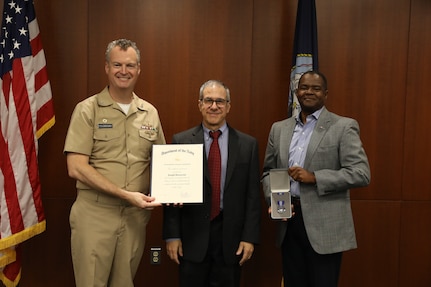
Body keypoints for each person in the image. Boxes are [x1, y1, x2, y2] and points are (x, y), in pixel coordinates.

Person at [64, 38, 166, 287]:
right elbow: (76, 167)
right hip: (95, 214)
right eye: (117, 64)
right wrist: (125, 194)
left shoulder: (149, 112)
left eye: (130, 65)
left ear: (139, 69)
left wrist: (174, 190)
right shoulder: (88, 110)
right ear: (107, 68)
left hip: (134, 217)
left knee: (124, 283)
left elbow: (163, 162)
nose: (124, 71)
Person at [261, 70, 371, 287]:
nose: (309, 92)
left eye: (316, 88)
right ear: (297, 92)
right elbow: (268, 172)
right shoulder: (279, 129)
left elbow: (361, 173)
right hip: (288, 223)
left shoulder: (343, 126)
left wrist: (315, 178)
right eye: (304, 87)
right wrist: (274, 200)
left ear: (326, 94)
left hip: (325, 228)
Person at [163, 80, 261, 287]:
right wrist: (172, 235)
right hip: (192, 238)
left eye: (219, 101)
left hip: (231, 240)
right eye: (208, 100)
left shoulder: (247, 145)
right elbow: (171, 194)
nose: (214, 106)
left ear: (228, 106)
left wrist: (249, 238)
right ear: (199, 104)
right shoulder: (181, 141)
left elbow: (253, 196)